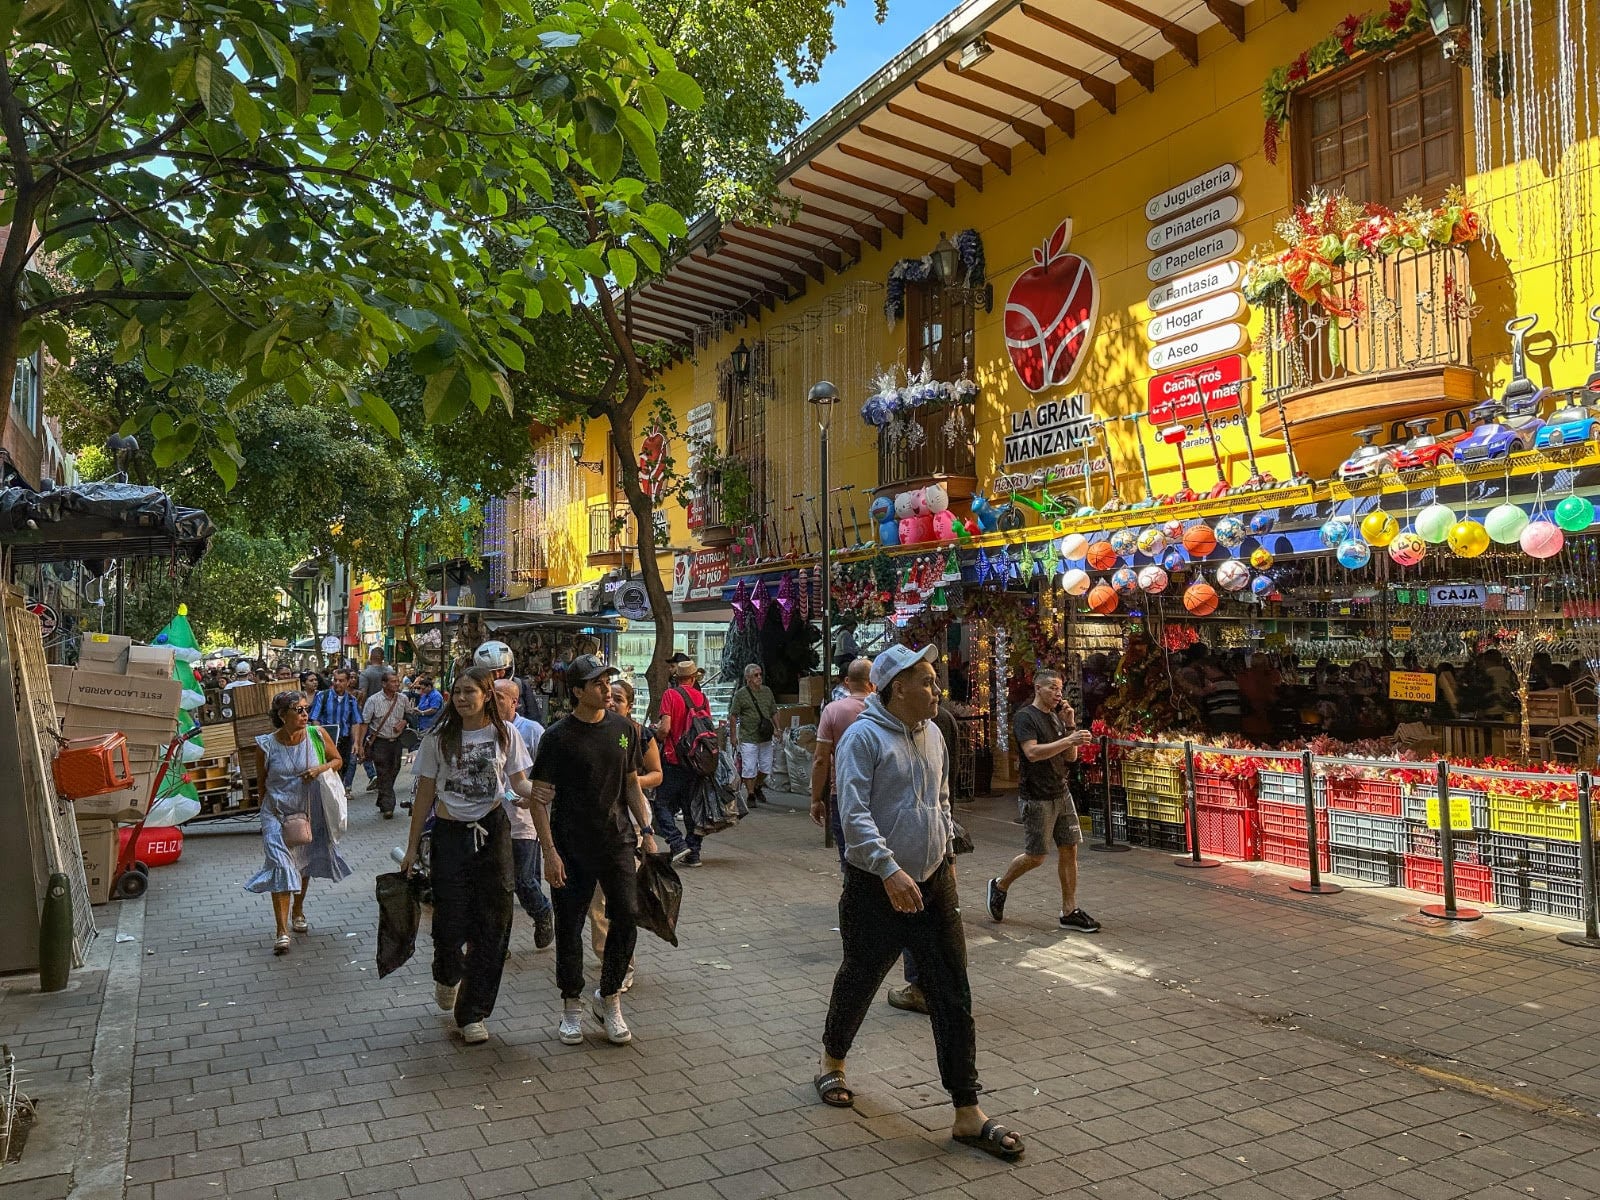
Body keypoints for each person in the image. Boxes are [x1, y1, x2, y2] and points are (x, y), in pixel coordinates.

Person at [816, 644, 1024, 1162]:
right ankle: (832, 1062)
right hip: (875, 886)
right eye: (928, 682)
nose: (937, 690)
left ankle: (966, 1112)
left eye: (935, 681)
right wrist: (888, 869)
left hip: (933, 883)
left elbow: (941, 797)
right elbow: (854, 813)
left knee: (952, 991)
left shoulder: (934, 732)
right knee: (860, 977)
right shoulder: (862, 737)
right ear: (896, 688)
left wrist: (946, 850)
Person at [526, 656, 660, 1046]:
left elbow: (631, 783)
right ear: (577, 691)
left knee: (627, 917)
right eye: (597, 684)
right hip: (570, 846)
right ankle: (571, 1004)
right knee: (569, 928)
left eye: (607, 682)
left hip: (618, 840)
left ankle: (610, 996)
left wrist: (646, 830)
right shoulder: (556, 737)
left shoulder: (623, 729)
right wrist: (549, 853)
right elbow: (539, 800)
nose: (606, 689)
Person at [400, 667, 536, 1046]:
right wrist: (412, 848)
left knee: (494, 923)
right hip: (449, 836)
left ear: (487, 694)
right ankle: (446, 971)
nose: (462, 698)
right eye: (457, 692)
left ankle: (473, 1012)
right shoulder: (439, 738)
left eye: (469, 691)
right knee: (449, 920)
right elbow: (425, 793)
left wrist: (537, 793)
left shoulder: (505, 734)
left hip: (493, 834)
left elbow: (518, 781)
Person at [986, 669, 1099, 933]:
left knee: (1070, 848)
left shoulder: (1057, 719)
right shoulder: (1026, 717)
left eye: (1060, 689)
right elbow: (1032, 752)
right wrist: (1068, 739)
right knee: (1036, 856)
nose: (1058, 693)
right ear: (1038, 688)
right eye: (1052, 688)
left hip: (1061, 792)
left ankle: (1069, 910)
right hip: (1036, 796)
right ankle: (1000, 885)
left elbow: (1070, 757)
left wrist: (1070, 727)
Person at [245, 691, 350, 955]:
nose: (305, 714)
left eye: (306, 709)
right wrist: (264, 811)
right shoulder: (266, 745)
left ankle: (299, 910)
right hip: (276, 813)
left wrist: (319, 769)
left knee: (302, 863)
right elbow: (261, 782)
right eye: (298, 710)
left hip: (309, 810)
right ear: (282, 716)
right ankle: (281, 931)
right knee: (281, 865)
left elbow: (338, 760)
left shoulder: (316, 735)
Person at [586, 677, 664, 993]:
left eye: (619, 698)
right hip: (593, 826)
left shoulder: (636, 734)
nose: (612, 701)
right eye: (609, 696)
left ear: (630, 705)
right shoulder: (590, 730)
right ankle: (612, 960)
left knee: (621, 900)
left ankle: (621, 964)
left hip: (629, 823)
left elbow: (656, 774)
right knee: (597, 903)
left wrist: (629, 782)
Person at [493, 679, 554, 951]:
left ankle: (542, 912)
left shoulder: (530, 731)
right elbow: (501, 787)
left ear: (514, 701)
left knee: (524, 881)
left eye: (499, 697)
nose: (492, 702)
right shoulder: (486, 730)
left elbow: (539, 775)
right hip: (495, 819)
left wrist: (538, 797)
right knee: (499, 885)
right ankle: (499, 944)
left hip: (525, 821)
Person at [810, 656, 873, 866]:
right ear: (872, 681)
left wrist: (816, 798)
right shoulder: (883, 710)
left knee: (849, 854)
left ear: (848, 681)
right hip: (879, 790)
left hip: (843, 789)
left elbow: (820, 759)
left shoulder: (833, 711)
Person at [655, 654, 711, 867]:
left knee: (661, 804)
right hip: (697, 761)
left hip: (674, 758)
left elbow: (665, 728)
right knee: (691, 808)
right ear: (694, 678)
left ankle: (677, 843)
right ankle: (694, 853)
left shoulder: (670, 695)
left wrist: (657, 735)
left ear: (677, 677)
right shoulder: (702, 698)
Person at [362, 670, 416, 818]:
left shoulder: (403, 699)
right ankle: (388, 806)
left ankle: (382, 798)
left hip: (396, 742)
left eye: (397, 681)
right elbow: (364, 722)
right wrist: (359, 744)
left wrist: (404, 722)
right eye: (393, 682)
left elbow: (410, 715)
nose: (397, 684)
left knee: (394, 769)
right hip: (379, 741)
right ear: (384, 684)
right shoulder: (373, 700)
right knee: (383, 771)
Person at [729, 663, 778, 806]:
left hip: (765, 736)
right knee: (749, 767)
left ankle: (757, 785)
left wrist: (778, 728)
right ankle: (750, 794)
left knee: (766, 767)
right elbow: (733, 716)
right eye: (755, 675)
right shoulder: (741, 695)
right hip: (748, 737)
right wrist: (733, 736)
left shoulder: (767, 691)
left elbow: (774, 711)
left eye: (760, 674)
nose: (759, 677)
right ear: (748, 678)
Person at [310, 669, 366, 790]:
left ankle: (340, 791)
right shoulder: (322, 696)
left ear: (347, 682)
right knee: (327, 769)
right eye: (335, 680)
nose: (337, 683)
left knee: (344, 767)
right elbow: (315, 719)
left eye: (341, 681)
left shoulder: (352, 700)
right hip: (327, 741)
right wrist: (319, 737)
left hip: (344, 741)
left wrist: (356, 743)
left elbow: (356, 722)